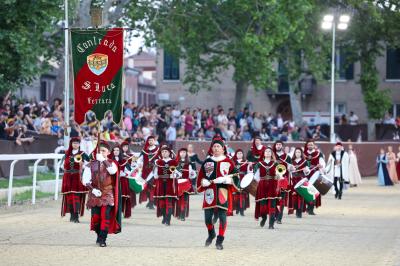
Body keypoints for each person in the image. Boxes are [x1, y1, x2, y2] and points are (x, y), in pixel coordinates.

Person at [196, 135, 240, 250]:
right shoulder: (207, 162)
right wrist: (203, 182)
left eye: (218, 146)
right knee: (207, 218)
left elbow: (236, 177)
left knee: (222, 217)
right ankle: (211, 233)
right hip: (210, 192)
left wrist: (228, 180)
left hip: (223, 191)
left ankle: (220, 240)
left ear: (223, 148)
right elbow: (201, 176)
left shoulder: (228, 162)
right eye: (214, 146)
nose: (216, 148)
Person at [82, 141, 121, 247]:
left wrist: (103, 160)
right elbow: (85, 180)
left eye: (104, 151)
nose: (101, 152)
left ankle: (103, 239)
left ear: (108, 152)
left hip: (107, 193)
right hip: (95, 193)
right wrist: (92, 189)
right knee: (95, 218)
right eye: (100, 151)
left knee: (105, 216)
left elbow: (113, 171)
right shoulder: (90, 165)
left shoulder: (112, 163)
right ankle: (99, 235)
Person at [61, 137, 90, 223]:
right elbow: (61, 165)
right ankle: (71, 216)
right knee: (69, 197)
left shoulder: (83, 154)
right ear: (71, 144)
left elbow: (89, 163)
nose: (75, 145)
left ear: (79, 144)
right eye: (74, 143)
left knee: (77, 197)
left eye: (77, 143)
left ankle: (76, 216)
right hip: (68, 177)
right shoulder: (67, 153)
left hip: (78, 177)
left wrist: (83, 165)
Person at [254, 147, 282, 229]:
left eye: (269, 151)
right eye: (266, 151)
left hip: (273, 185)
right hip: (262, 186)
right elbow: (256, 177)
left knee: (272, 205)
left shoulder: (276, 164)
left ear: (272, 153)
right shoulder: (258, 164)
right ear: (263, 153)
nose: (268, 152)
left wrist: (278, 176)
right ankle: (264, 218)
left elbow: (280, 175)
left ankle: (271, 225)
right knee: (263, 207)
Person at [153, 145, 178, 226]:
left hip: (170, 184)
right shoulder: (158, 162)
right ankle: (164, 217)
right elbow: (155, 174)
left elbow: (179, 173)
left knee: (169, 202)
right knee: (161, 204)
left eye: (166, 151)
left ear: (169, 153)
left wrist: (174, 175)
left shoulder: (173, 162)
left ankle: (168, 220)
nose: (164, 153)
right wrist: (155, 176)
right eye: (162, 151)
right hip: (160, 183)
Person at [303, 140, 326, 215]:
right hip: (305, 175)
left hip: (315, 174)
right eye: (309, 145)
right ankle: (307, 207)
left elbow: (322, 163)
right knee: (306, 191)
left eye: (311, 145)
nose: (310, 146)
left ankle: (311, 209)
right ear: (307, 146)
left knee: (314, 191)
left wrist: (321, 165)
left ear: (314, 146)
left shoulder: (318, 153)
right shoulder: (303, 153)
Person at [138, 136, 159, 209]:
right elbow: (140, 159)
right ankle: (149, 201)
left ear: (154, 141)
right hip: (145, 171)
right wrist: (139, 163)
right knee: (146, 188)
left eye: (152, 140)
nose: (150, 141)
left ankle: (151, 202)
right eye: (149, 140)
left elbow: (160, 159)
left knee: (153, 187)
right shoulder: (145, 149)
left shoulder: (157, 149)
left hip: (154, 171)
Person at [272, 140, 291, 224]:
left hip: (283, 180)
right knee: (273, 199)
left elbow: (290, 168)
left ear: (282, 146)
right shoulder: (271, 155)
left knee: (282, 199)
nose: (278, 146)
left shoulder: (287, 157)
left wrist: (292, 168)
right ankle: (276, 214)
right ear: (275, 146)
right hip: (274, 180)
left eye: (280, 144)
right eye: (277, 144)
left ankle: (280, 218)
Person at [175, 148, 196, 221]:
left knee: (185, 200)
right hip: (178, 184)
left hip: (186, 184)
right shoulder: (175, 163)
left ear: (186, 154)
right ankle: (178, 214)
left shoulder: (189, 163)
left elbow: (192, 175)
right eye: (181, 152)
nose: (183, 153)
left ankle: (183, 215)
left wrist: (193, 173)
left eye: (184, 152)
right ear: (179, 153)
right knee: (178, 200)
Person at [112, 145, 133, 218]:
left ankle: (120, 212)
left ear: (120, 151)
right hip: (112, 180)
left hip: (122, 180)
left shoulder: (124, 161)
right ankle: (113, 213)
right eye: (114, 150)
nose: (116, 151)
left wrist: (123, 173)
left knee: (122, 197)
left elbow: (130, 171)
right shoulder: (109, 160)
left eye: (117, 150)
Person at [289, 148, 309, 218]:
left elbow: (307, 172)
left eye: (299, 152)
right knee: (294, 196)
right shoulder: (291, 161)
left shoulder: (305, 161)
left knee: (301, 196)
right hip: (294, 180)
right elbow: (289, 171)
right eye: (296, 152)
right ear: (294, 153)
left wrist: (305, 170)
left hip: (301, 180)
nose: (297, 153)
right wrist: (291, 169)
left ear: (301, 153)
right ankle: (296, 209)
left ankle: (299, 211)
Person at [231, 149, 251, 216]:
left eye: (241, 153)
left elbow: (249, 172)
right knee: (235, 195)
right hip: (235, 179)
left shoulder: (246, 162)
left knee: (242, 195)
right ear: (236, 154)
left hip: (243, 179)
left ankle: (242, 210)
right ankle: (237, 208)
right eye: (238, 153)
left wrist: (250, 166)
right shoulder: (233, 162)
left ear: (243, 154)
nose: (239, 154)